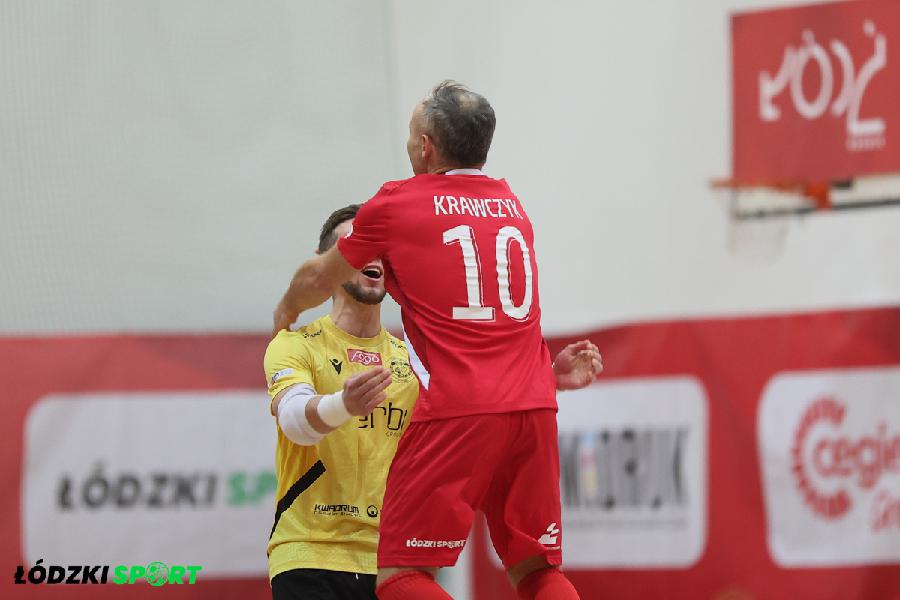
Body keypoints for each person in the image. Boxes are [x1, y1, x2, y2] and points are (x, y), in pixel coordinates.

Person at [272, 82, 601, 600]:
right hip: (533, 406)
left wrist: (286, 309)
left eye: (410, 134)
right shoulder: (512, 206)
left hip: (460, 406)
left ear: (425, 146)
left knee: (399, 576)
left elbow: (315, 278)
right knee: (538, 569)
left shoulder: (400, 203)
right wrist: (548, 376)